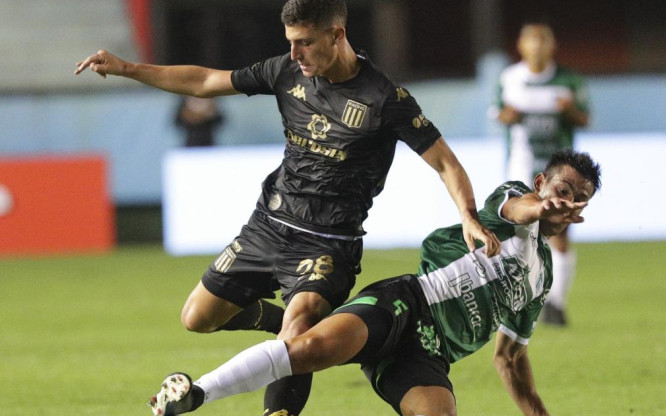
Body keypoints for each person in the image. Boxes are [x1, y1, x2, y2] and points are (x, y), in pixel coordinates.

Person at [75, 1, 500, 415]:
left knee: (295, 335)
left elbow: (445, 161)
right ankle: (275, 322)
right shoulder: (285, 71)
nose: (295, 53)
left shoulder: (383, 98)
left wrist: (468, 215)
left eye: (305, 42)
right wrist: (128, 69)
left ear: (337, 35)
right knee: (197, 318)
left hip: (327, 245)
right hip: (268, 225)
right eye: (290, 42)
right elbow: (206, 81)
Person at [147, 149, 601, 416]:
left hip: (430, 354)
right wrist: (542, 207)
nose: (567, 201)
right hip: (406, 304)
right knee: (308, 350)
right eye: (561, 188)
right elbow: (524, 209)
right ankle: (195, 393)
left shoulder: (542, 276)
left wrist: (537, 411)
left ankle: (272, 324)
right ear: (541, 182)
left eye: (578, 198)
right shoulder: (511, 201)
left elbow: (510, 357)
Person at [491, 20, 590, 326]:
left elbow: (584, 119)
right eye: (531, 41)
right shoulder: (509, 79)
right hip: (522, 167)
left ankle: (556, 305)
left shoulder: (568, 81)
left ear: (552, 46)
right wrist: (511, 114)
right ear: (521, 46)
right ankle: (518, 300)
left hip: (561, 173)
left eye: (543, 40)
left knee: (559, 235)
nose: (537, 46)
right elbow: (498, 114)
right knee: (517, 234)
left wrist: (569, 110)